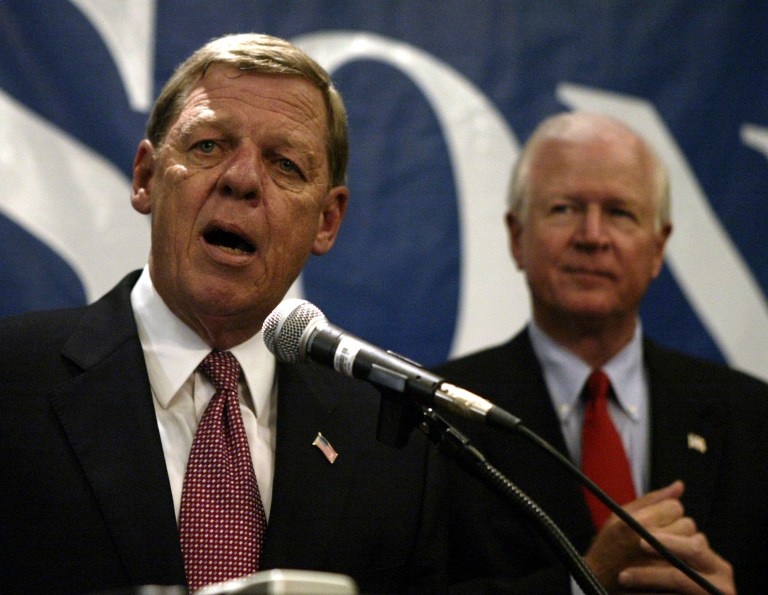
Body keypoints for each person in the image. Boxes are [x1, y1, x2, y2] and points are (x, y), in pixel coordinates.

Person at [0, 33, 447, 594]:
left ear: (327, 221)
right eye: (208, 146)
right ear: (146, 177)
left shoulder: (389, 438)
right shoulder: (11, 381)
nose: (241, 179)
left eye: (285, 164)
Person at [437, 112, 768, 594]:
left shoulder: (753, 419)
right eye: (565, 209)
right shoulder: (436, 415)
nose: (592, 236)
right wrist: (584, 581)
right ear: (516, 237)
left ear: (658, 248)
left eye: (619, 213)